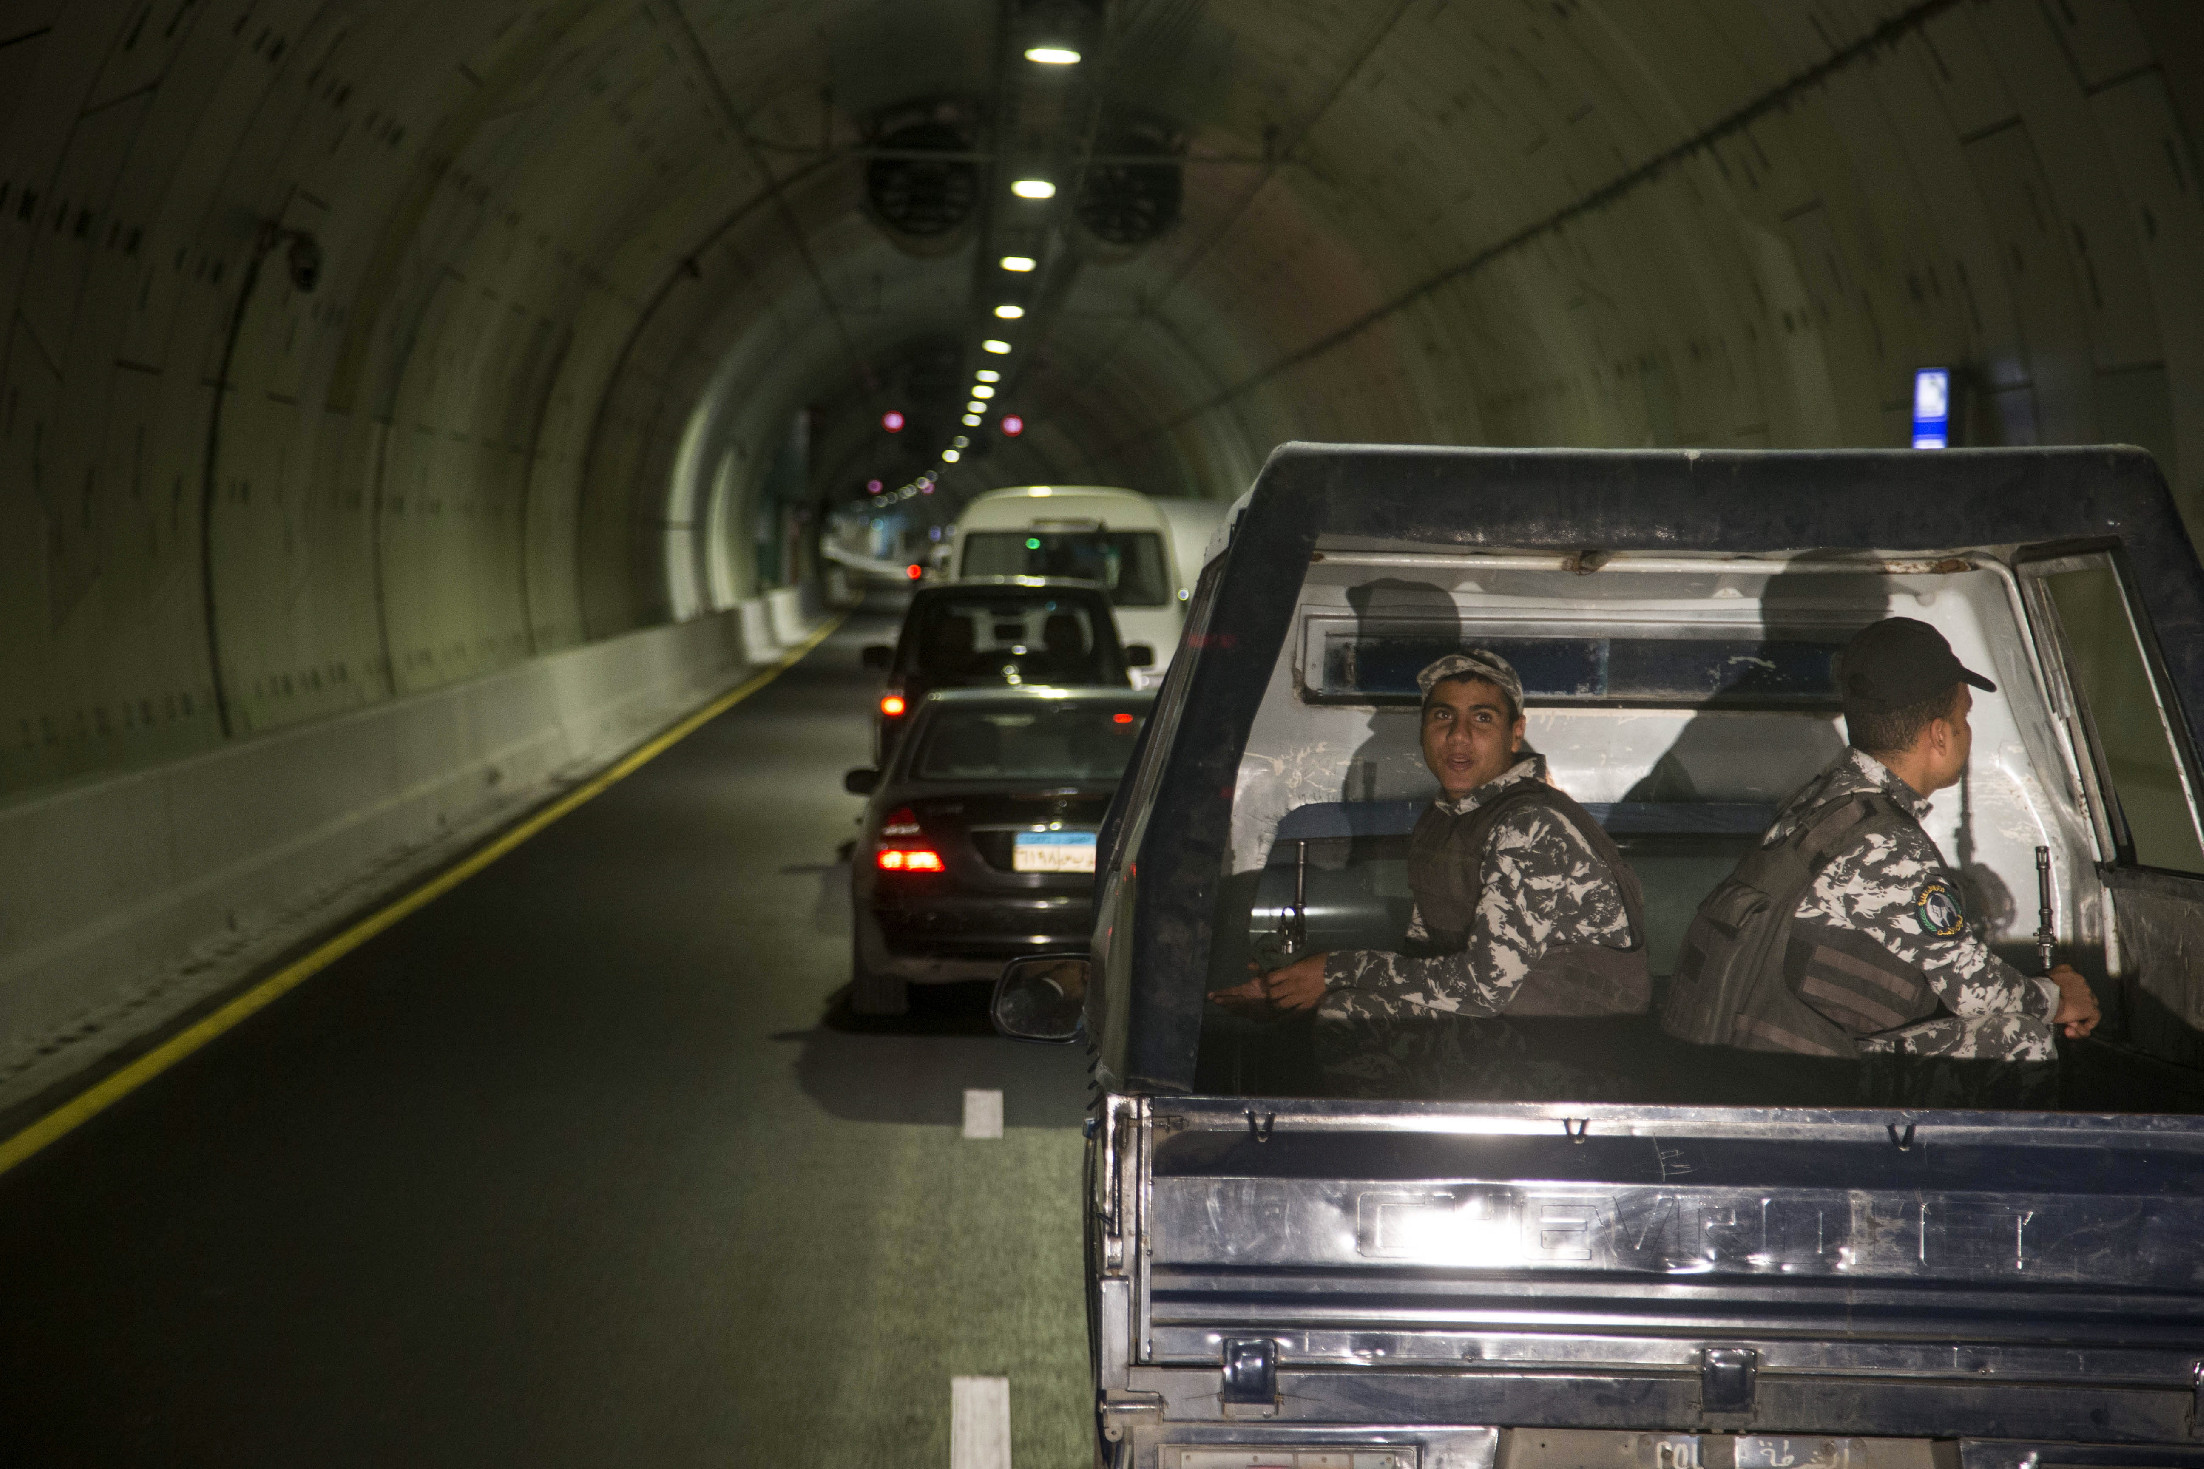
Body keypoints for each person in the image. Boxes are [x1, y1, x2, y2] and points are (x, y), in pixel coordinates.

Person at [1670, 616, 2099, 1105]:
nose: (1966, 733)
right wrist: (2059, 996)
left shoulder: (1825, 800)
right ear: (1939, 736)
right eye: (1964, 719)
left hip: (1748, 1066)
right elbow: (1979, 993)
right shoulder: (1883, 842)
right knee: (2021, 1040)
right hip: (1795, 1088)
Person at [1214, 649, 1649, 1098]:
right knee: (1328, 1011)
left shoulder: (1530, 826)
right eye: (1443, 716)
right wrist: (1296, 989)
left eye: (1482, 719)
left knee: (1352, 1016)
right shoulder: (1447, 818)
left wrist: (1332, 972)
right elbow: (1422, 963)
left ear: (1515, 732)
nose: (1458, 737)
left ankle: (1377, 1159)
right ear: (1424, 728)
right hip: (1517, 1033)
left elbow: (1483, 988)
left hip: (1577, 1056)